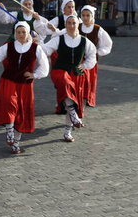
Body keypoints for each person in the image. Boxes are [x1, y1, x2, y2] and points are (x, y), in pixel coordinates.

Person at [0, 22, 49, 154]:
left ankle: (16, 143)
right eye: (18, 32)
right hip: (8, 81)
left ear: (27, 33)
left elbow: (45, 67)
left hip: (25, 85)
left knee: (22, 113)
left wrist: (35, 75)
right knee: (9, 103)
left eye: (23, 32)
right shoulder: (8, 46)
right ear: (15, 33)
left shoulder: (35, 48)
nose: (20, 34)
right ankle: (9, 130)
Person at [42, 15, 97, 143]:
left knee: (74, 100)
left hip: (76, 74)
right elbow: (45, 50)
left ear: (78, 24)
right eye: (69, 23)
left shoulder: (84, 41)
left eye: (73, 23)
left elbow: (92, 55)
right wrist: (35, 42)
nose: (71, 26)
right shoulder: (59, 39)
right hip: (60, 71)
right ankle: (73, 114)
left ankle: (68, 131)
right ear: (65, 25)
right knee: (66, 86)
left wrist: (85, 65)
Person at [79, 5, 113, 107]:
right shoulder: (77, 26)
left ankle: (88, 98)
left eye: (87, 15)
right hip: (78, 59)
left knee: (90, 81)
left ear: (92, 16)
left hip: (91, 60)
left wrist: (98, 52)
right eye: (83, 15)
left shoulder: (97, 29)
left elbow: (108, 44)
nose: (85, 18)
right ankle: (79, 97)